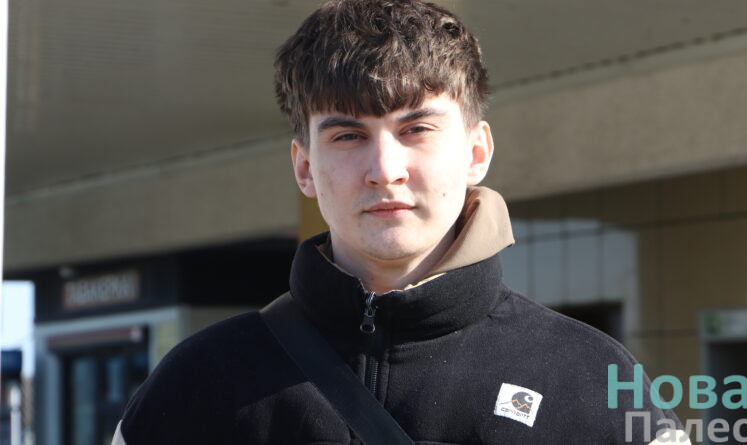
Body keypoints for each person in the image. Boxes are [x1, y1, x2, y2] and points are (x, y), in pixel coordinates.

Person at [112, 0, 689, 443]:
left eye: (416, 130)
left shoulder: (591, 380)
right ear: (305, 168)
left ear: (476, 152)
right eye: (348, 136)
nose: (384, 170)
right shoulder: (199, 383)